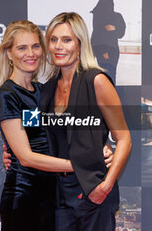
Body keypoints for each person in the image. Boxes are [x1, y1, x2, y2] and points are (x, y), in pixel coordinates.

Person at [0, 20, 113, 231]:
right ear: (9, 54)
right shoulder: (7, 95)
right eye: (22, 48)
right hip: (24, 197)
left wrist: (101, 147)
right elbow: (26, 157)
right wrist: (84, 164)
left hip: (53, 196)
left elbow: (47, 135)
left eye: (35, 46)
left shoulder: (43, 90)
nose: (30, 53)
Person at [40, 12, 131, 231]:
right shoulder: (48, 89)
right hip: (58, 193)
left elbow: (124, 138)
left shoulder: (97, 81)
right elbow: (36, 132)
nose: (59, 47)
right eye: (53, 40)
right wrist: (10, 152)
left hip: (92, 189)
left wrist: (105, 186)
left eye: (67, 40)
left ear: (80, 45)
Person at [91, 0, 125, 82]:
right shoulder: (98, 16)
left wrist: (114, 28)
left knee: (111, 77)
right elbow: (97, 35)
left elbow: (121, 33)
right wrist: (103, 52)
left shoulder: (117, 16)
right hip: (102, 51)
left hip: (113, 51)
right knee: (106, 78)